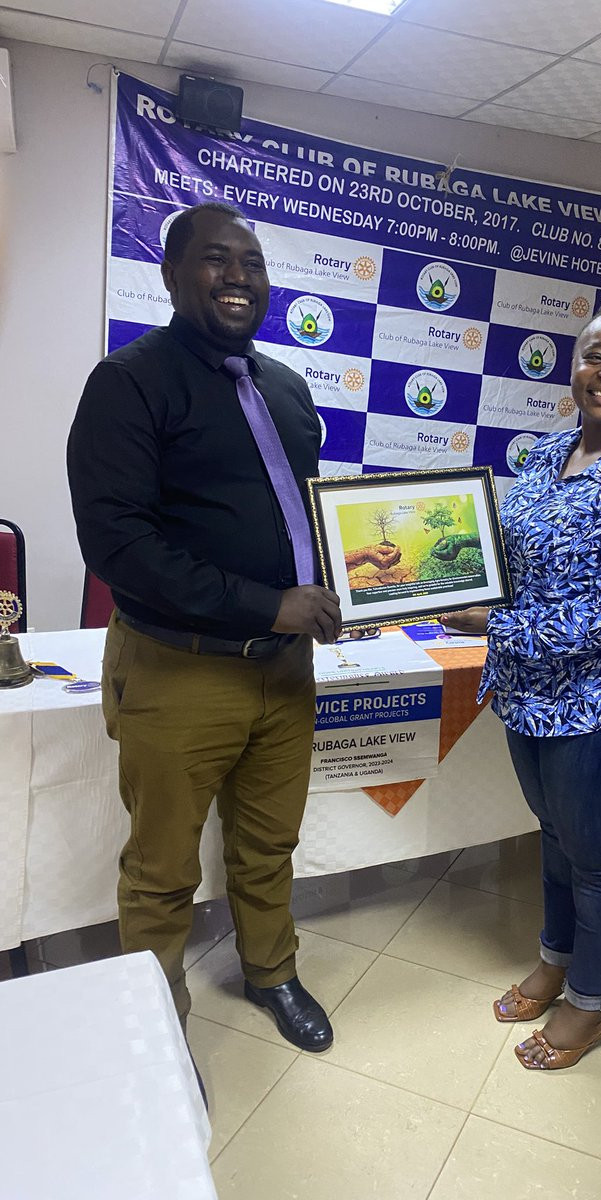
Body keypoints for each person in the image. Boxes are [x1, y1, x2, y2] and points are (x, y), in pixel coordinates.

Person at [67, 202, 342, 1058]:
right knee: (162, 869)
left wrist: (350, 586)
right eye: (217, 259)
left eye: (253, 264)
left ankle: (272, 972)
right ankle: (155, 1030)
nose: (238, 277)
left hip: (284, 672)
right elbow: (119, 545)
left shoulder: (286, 388)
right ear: (171, 274)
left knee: (269, 844)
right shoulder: (130, 382)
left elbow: (301, 517)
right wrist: (267, 604)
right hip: (178, 670)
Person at [443, 293, 601, 1071]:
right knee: (555, 842)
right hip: (534, 693)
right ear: (574, 364)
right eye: (595, 355)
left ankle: (592, 1000)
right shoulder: (547, 452)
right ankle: (555, 963)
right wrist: (440, 576)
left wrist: (500, 627)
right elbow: (509, 555)